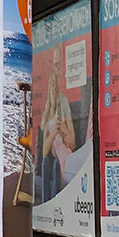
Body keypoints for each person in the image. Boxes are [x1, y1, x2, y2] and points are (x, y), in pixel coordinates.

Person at [38, 47, 77, 198]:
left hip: (64, 154)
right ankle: (49, 202)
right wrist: (54, 131)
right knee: (47, 162)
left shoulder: (64, 103)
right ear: (49, 87)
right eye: (52, 85)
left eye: (57, 85)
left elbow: (72, 143)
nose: (54, 89)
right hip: (53, 154)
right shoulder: (47, 114)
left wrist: (64, 131)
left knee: (56, 164)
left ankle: (56, 200)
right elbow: (44, 151)